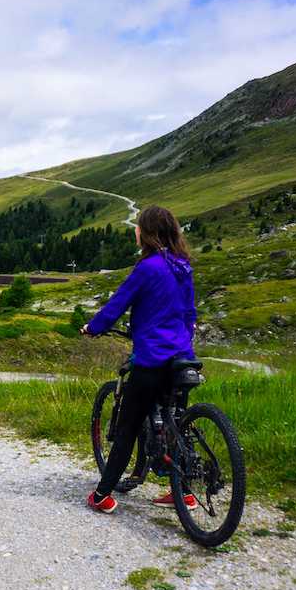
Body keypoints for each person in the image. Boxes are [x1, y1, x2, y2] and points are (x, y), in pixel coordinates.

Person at [80, 205, 198, 514]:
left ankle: (102, 494)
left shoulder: (148, 268)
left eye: (137, 227)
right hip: (182, 357)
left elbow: (118, 303)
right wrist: (185, 341)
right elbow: (189, 313)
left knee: (128, 427)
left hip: (153, 357)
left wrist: (93, 328)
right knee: (176, 424)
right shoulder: (182, 266)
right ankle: (183, 492)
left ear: (146, 233)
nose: (135, 231)